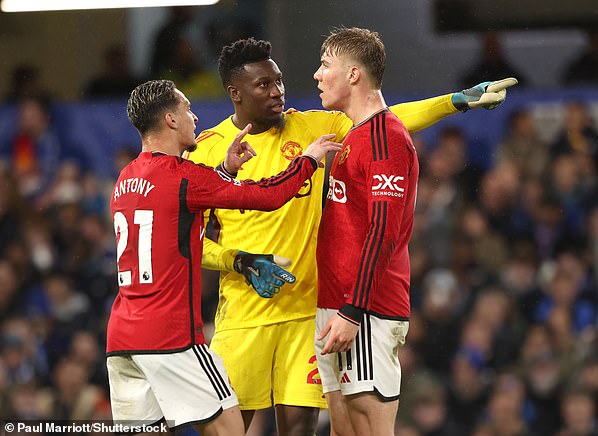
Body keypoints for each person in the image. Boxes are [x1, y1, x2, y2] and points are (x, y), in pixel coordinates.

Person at [184, 37, 514, 435]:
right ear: (235, 93)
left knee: (309, 429)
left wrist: (455, 101)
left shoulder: (314, 126)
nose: (277, 92)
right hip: (242, 318)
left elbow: (386, 120)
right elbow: (187, 242)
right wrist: (239, 260)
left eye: (279, 81)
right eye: (263, 86)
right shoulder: (207, 151)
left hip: (310, 314)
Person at [105, 79, 340, 435]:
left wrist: (224, 172)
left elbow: (176, 210)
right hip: (173, 338)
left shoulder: (126, 179)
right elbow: (268, 196)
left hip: (122, 340)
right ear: (170, 119)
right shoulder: (182, 176)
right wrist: (307, 160)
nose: (194, 117)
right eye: (186, 109)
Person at [311, 27, 514, 435]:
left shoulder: (386, 140)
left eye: (325, 65)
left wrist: (354, 310)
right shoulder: (357, 134)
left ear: (353, 75)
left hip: (363, 310)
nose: (316, 75)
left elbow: (383, 232)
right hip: (337, 306)